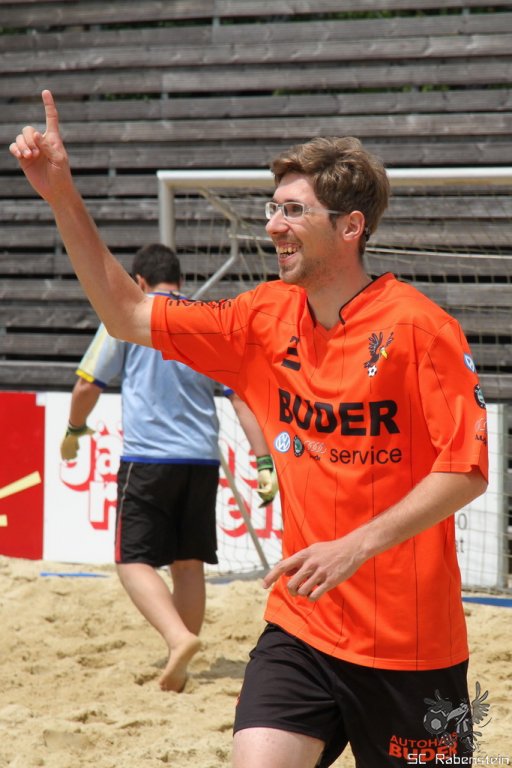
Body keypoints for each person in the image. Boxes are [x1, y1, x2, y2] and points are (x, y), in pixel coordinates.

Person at [10, 91, 488, 767]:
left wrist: (353, 547)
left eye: (293, 210)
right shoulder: (262, 317)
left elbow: (466, 469)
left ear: (351, 227)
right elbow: (125, 314)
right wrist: (60, 192)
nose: (273, 225)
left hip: (411, 648)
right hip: (303, 627)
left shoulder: (420, 328)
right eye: (272, 208)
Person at [59, 242, 277, 694]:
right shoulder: (206, 320)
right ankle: (181, 657)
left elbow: (87, 386)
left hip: (148, 459)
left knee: (131, 561)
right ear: (181, 279)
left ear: (139, 281)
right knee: (188, 563)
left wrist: (75, 429)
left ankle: (178, 639)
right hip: (201, 460)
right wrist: (262, 461)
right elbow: (240, 398)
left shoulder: (129, 315)